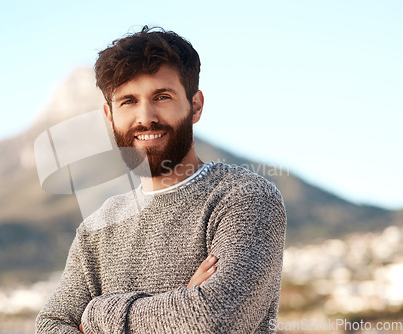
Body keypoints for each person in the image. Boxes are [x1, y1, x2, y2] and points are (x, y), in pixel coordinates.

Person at [36, 26, 287, 334]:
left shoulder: (245, 198)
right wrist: (181, 305)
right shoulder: (96, 228)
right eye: (128, 101)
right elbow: (50, 326)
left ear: (195, 106)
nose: (145, 117)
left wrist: (96, 314)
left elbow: (213, 320)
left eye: (162, 96)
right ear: (108, 115)